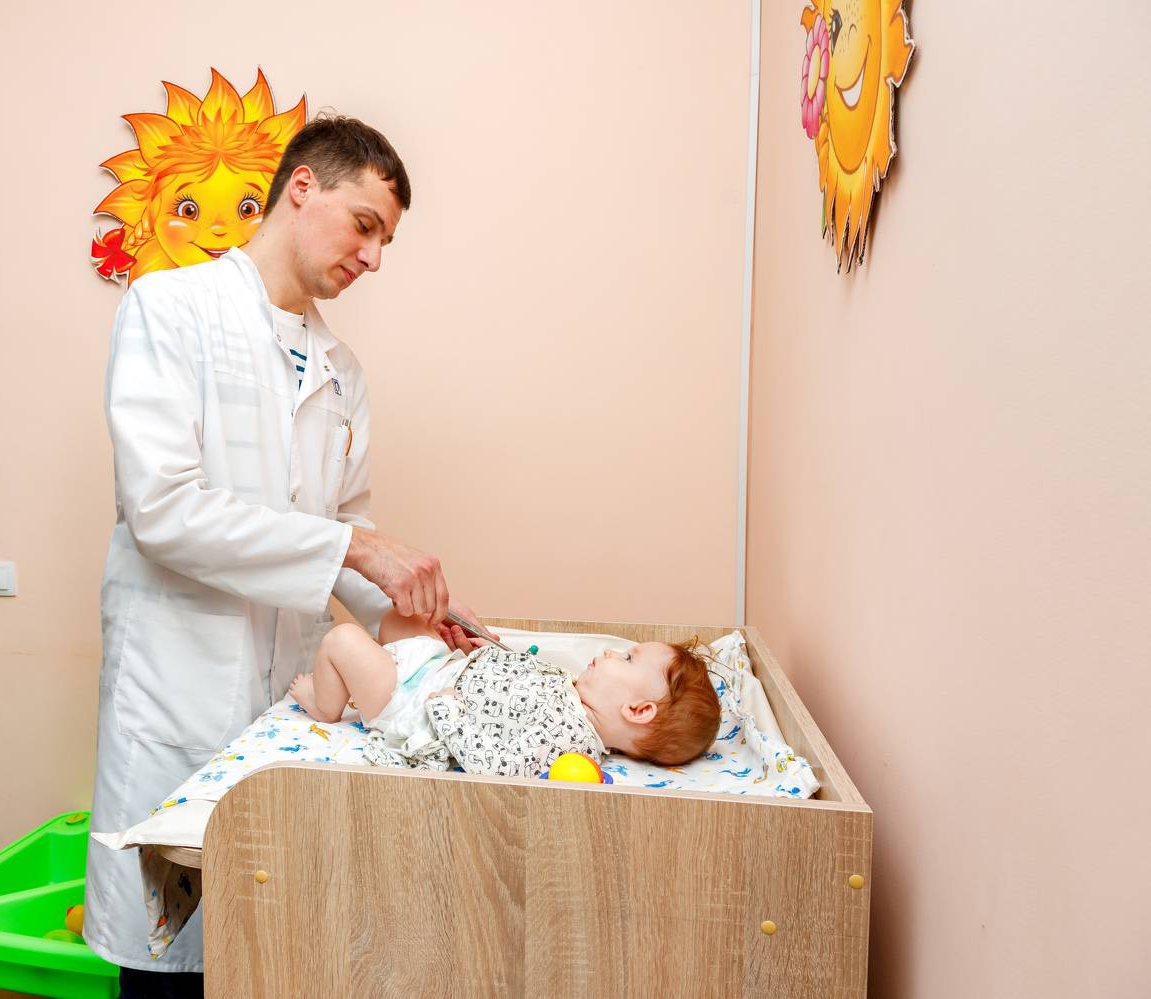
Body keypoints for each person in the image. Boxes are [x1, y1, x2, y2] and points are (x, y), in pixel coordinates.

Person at [85, 114, 490, 999]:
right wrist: (359, 546)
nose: (373, 257)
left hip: (290, 707)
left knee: (270, 953)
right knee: (171, 968)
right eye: (365, 225)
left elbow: (341, 532)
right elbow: (162, 510)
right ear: (302, 187)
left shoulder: (344, 372)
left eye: (385, 240)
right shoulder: (170, 309)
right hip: (178, 693)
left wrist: (413, 612)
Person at [289, 609, 721, 776]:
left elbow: (493, 767)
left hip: (413, 704)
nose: (610, 652)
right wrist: (484, 653)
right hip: (444, 670)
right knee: (399, 619)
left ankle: (326, 704)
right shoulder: (576, 695)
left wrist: (448, 713)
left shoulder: (568, 739)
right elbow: (517, 686)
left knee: (342, 639)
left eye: (626, 659)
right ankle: (371, 667)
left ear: (638, 710)